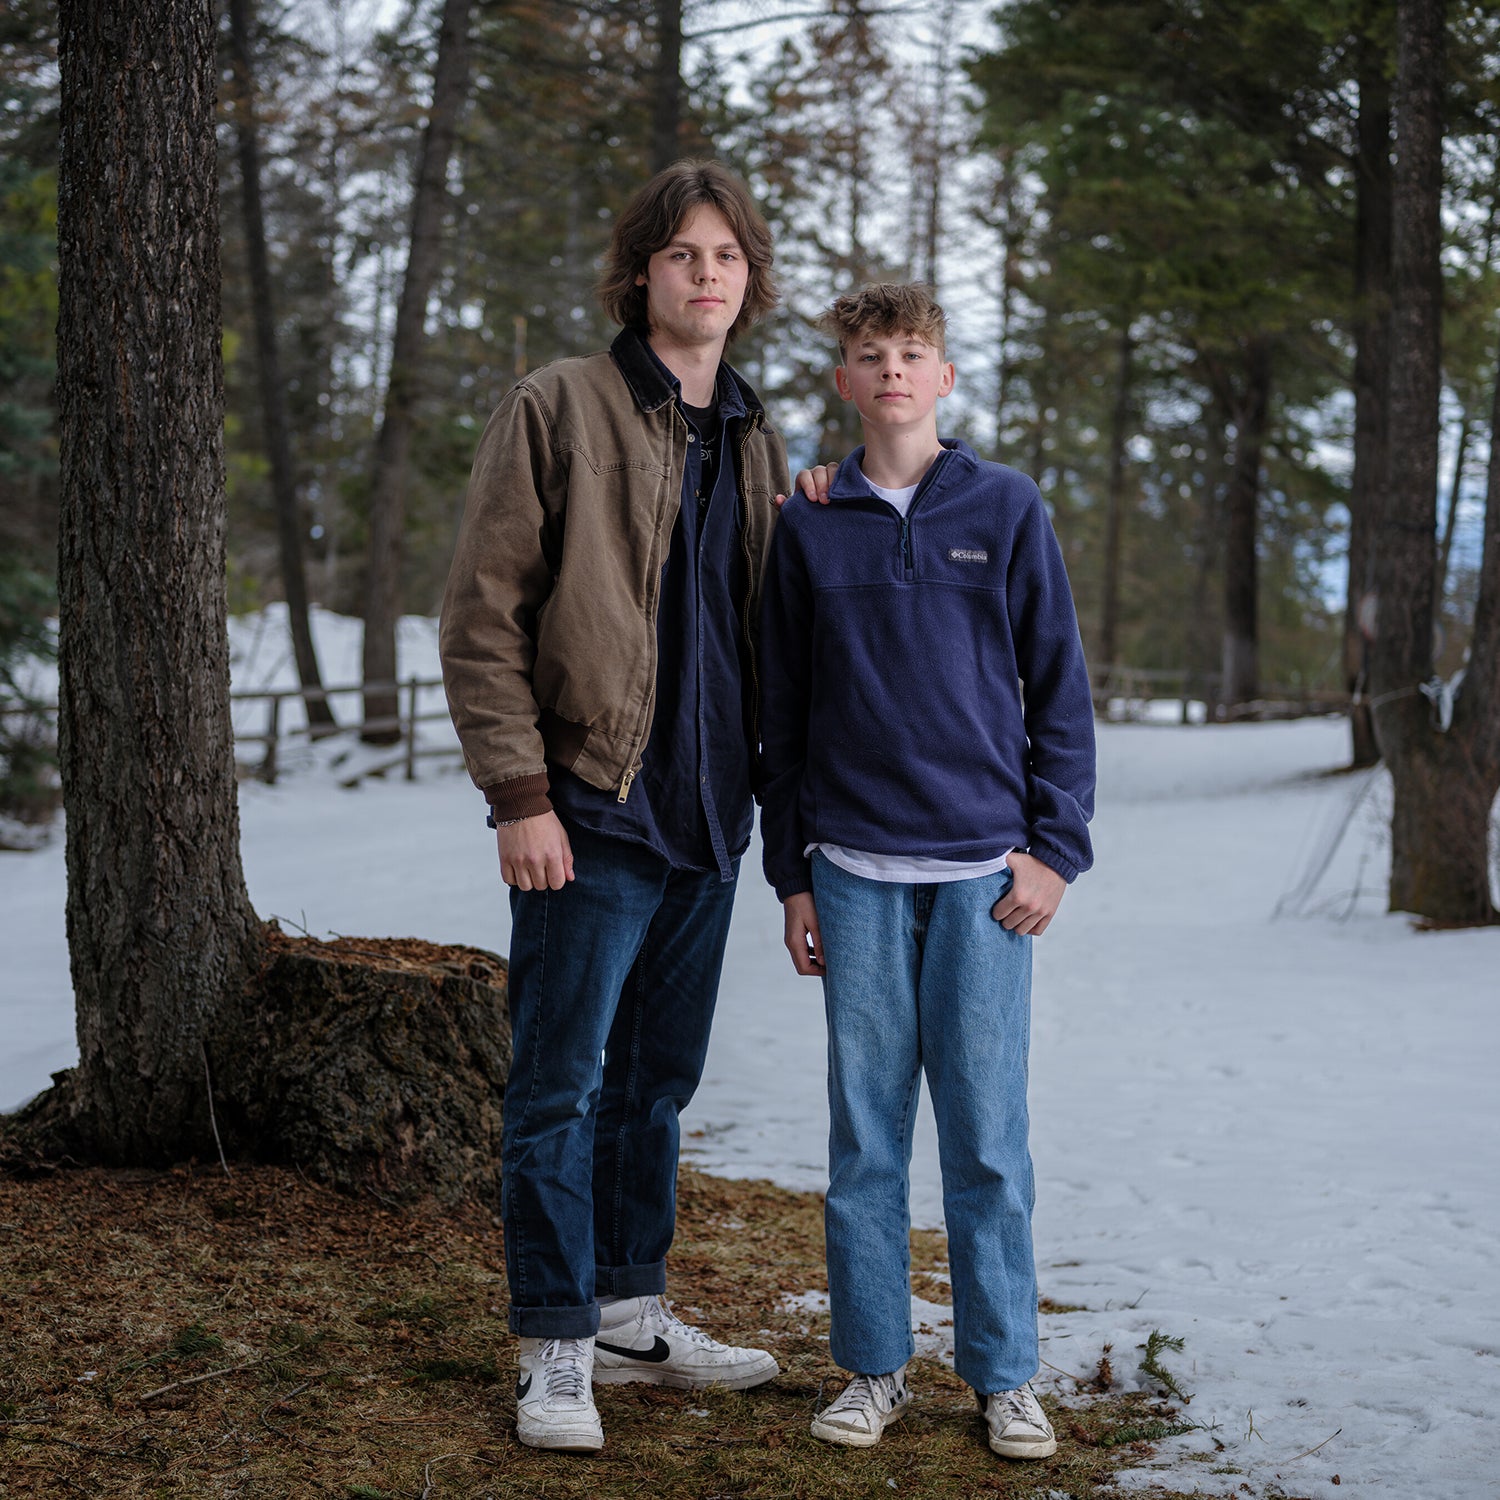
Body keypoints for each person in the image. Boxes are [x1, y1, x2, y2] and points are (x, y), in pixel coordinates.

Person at [439, 160, 790, 1454]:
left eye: (729, 258)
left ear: (748, 283)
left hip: (707, 822)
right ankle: (553, 1342)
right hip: (588, 808)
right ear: (640, 272)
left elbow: (769, 625)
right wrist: (519, 796)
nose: (708, 275)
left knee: (655, 1086)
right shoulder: (561, 406)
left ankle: (633, 1311)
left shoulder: (754, 435)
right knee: (559, 1087)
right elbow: (482, 618)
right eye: (685, 255)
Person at [758, 283, 1095, 1462]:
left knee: (989, 1138)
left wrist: (1056, 849)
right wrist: (791, 873)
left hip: (981, 880)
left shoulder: (1005, 507)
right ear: (845, 381)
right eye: (868, 355)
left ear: (944, 377)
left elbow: (1059, 691)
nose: (891, 370)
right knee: (864, 1138)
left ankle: (1004, 1377)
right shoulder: (810, 522)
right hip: (850, 870)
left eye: (912, 353)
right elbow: (781, 713)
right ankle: (872, 1369)